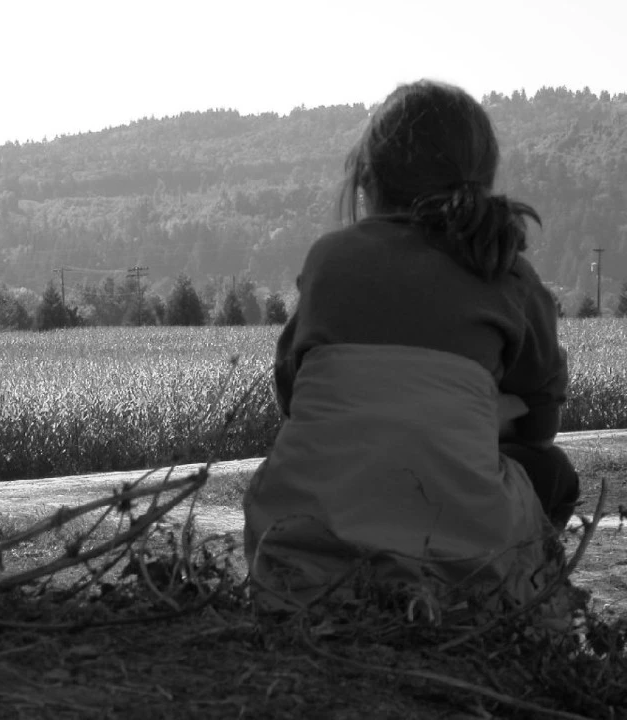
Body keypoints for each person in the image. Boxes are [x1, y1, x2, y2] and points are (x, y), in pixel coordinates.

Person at [244, 80, 579, 613]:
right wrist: (475, 412)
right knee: (553, 474)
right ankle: (518, 606)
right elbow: (541, 428)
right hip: (465, 571)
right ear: (482, 178)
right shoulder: (509, 274)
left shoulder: (330, 260)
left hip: (297, 557)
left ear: (368, 182)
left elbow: (294, 398)